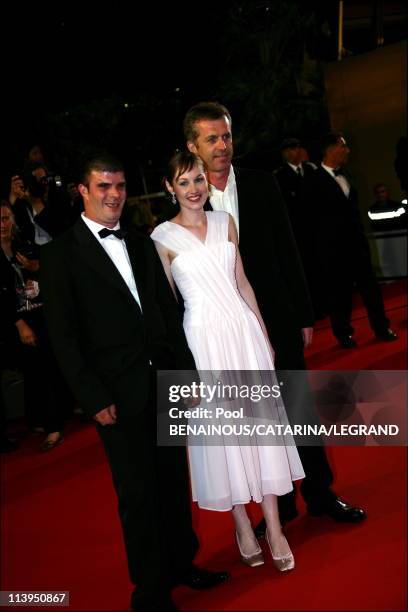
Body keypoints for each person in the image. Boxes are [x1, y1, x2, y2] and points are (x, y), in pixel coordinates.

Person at [39, 154, 228, 612]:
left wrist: (184, 377)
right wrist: (92, 397)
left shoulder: (142, 243)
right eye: (103, 186)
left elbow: (168, 313)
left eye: (120, 186)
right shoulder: (60, 255)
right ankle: (150, 591)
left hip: (162, 382)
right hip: (114, 396)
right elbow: (62, 338)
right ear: (83, 191)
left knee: (170, 483)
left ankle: (183, 564)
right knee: (137, 494)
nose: (114, 195)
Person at [182, 101, 366, 530]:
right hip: (226, 332)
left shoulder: (263, 184)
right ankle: (279, 508)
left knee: (298, 409)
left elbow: (288, 250)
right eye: (212, 138)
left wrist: (303, 315)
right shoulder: (187, 200)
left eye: (226, 135)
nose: (222, 145)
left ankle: (320, 493)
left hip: (277, 321)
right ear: (192, 144)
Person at [151, 151, 304, 571]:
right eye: (183, 182)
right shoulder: (161, 238)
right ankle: (240, 522)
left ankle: (273, 526)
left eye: (198, 179)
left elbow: (242, 281)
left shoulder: (225, 222)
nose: (194, 189)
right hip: (202, 342)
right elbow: (166, 308)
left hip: (243, 334)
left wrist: (263, 333)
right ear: (169, 188)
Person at [303, 133, 398, 348]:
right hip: (332, 250)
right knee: (339, 294)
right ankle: (343, 333)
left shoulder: (349, 175)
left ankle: (382, 327)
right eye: (343, 146)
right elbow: (311, 220)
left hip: (357, 246)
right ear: (331, 149)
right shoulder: (313, 181)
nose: (347, 150)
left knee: (371, 289)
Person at [0, 201, 64, 451]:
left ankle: (49, 420)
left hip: (39, 313)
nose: (3, 224)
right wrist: (19, 325)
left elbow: (43, 271)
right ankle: (50, 425)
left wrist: (35, 270)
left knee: (46, 366)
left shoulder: (22, 246)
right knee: (37, 370)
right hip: (13, 323)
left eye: (6, 218)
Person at [273, 138, 325, 318]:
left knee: (322, 268)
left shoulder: (311, 170)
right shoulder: (279, 177)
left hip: (318, 230)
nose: (292, 153)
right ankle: (313, 309)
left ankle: (326, 304)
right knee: (306, 272)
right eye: (288, 150)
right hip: (298, 234)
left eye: (295, 148)